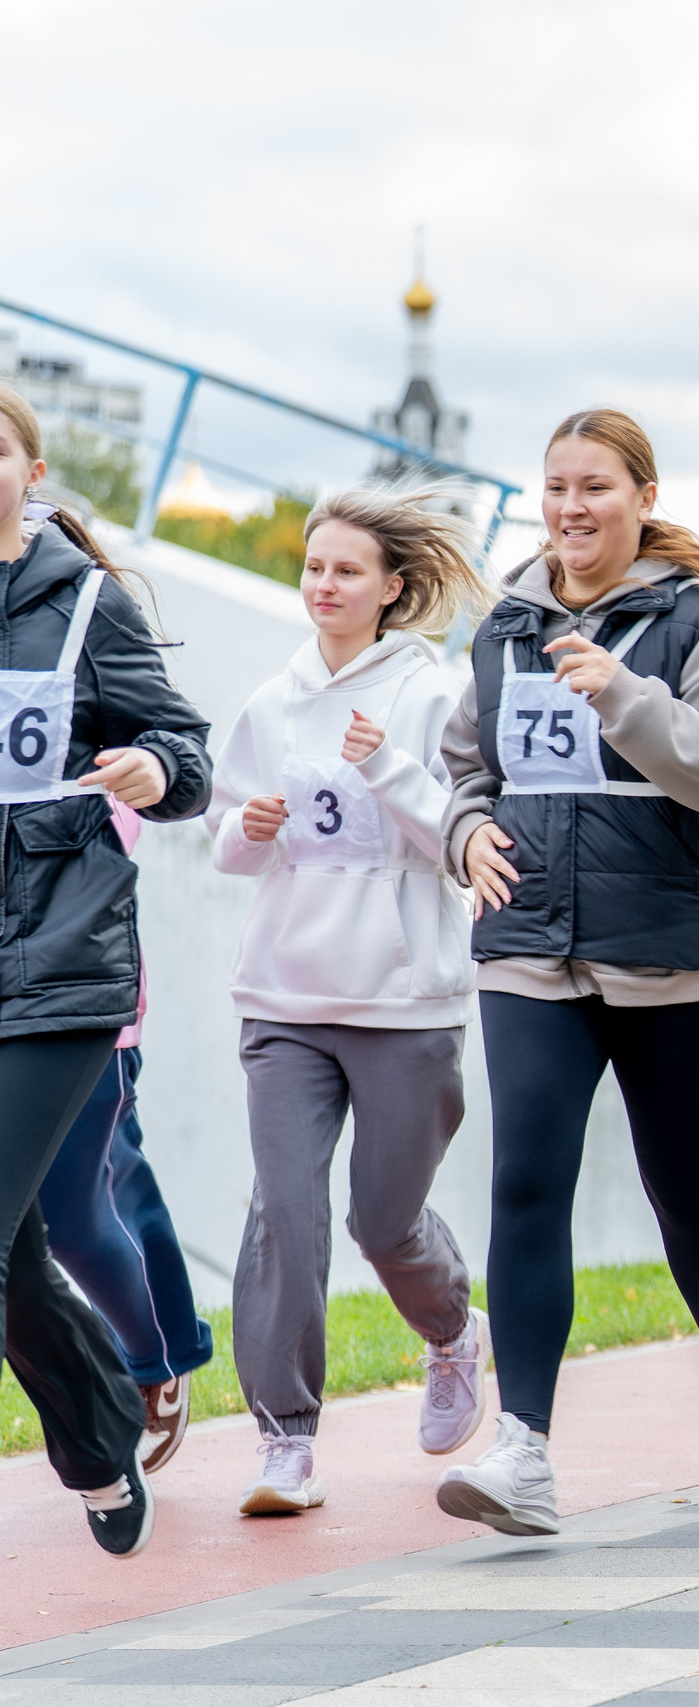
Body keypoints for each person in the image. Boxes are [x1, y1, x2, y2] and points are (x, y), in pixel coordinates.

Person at [435, 409, 699, 1535]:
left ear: (642, 496)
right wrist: (465, 834)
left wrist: (625, 697)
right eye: (554, 488)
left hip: (677, 953)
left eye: (595, 488)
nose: (571, 509)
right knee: (524, 1183)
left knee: (684, 1187)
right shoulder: (506, 625)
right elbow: (464, 767)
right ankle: (523, 1452)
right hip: (533, 943)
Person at [209, 481, 491, 1514]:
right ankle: (285, 1440)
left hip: (403, 1001)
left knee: (384, 1220)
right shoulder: (272, 700)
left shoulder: (432, 692)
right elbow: (230, 845)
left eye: (345, 571)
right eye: (313, 566)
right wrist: (255, 825)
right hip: (283, 995)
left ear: (393, 588)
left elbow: (457, 845)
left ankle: (455, 1333)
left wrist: (394, 775)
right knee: (284, 1209)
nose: (322, 585)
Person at [0, 387, 213, 1559]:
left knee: (38, 1223)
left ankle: (104, 1426)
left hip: (61, 958)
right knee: (18, 1250)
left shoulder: (84, 604)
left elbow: (188, 751)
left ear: (31, 468)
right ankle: (96, 1443)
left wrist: (149, 767)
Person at [37, 804, 213, 1476]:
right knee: (112, 1179)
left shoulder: (75, 707)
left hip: (80, 998)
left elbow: (117, 820)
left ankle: (153, 1356)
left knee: (81, 1211)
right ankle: (150, 1351)